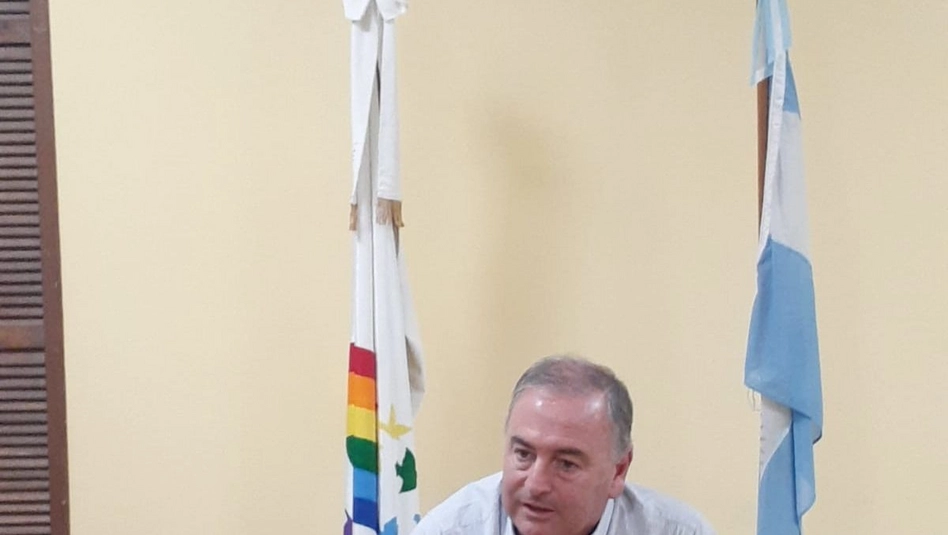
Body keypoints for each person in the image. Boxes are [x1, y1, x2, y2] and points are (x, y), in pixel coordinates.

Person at [413, 355, 716, 535]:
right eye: (523, 455)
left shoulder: (678, 531)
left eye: (566, 464)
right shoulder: (451, 529)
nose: (536, 485)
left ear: (618, 471)